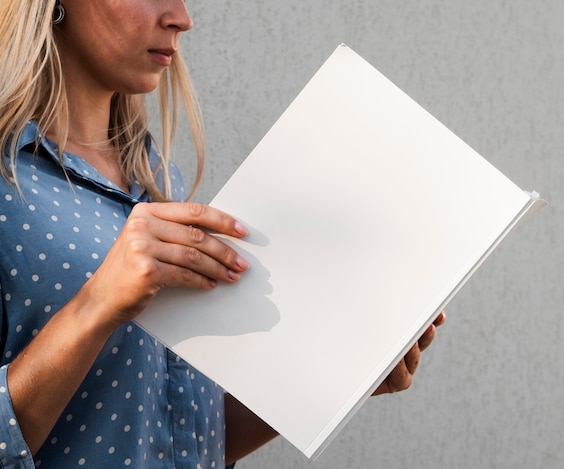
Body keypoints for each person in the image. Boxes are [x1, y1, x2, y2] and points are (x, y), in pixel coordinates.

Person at [0, 1, 445, 467]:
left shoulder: (159, 181)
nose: (181, 17)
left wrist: (345, 378)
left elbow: (185, 436)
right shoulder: (9, 188)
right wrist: (96, 305)